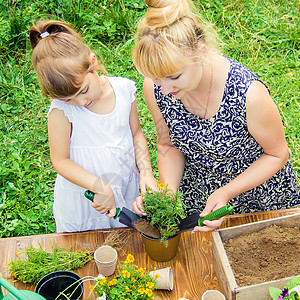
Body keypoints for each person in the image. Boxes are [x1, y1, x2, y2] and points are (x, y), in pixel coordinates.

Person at [131, 0, 300, 232]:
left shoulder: (249, 94)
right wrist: (167, 194)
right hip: (200, 198)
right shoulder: (155, 86)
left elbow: (277, 154)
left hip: (258, 197)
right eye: (157, 79)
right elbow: (168, 145)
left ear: (201, 52)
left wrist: (226, 192)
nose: (165, 90)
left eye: (174, 77)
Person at [29, 20, 156, 233]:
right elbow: (60, 160)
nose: (80, 102)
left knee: (128, 242)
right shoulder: (61, 112)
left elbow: (136, 134)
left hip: (125, 188)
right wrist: (99, 186)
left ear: (92, 62)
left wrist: (146, 171)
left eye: (83, 90)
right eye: (69, 99)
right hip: (85, 201)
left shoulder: (124, 91)